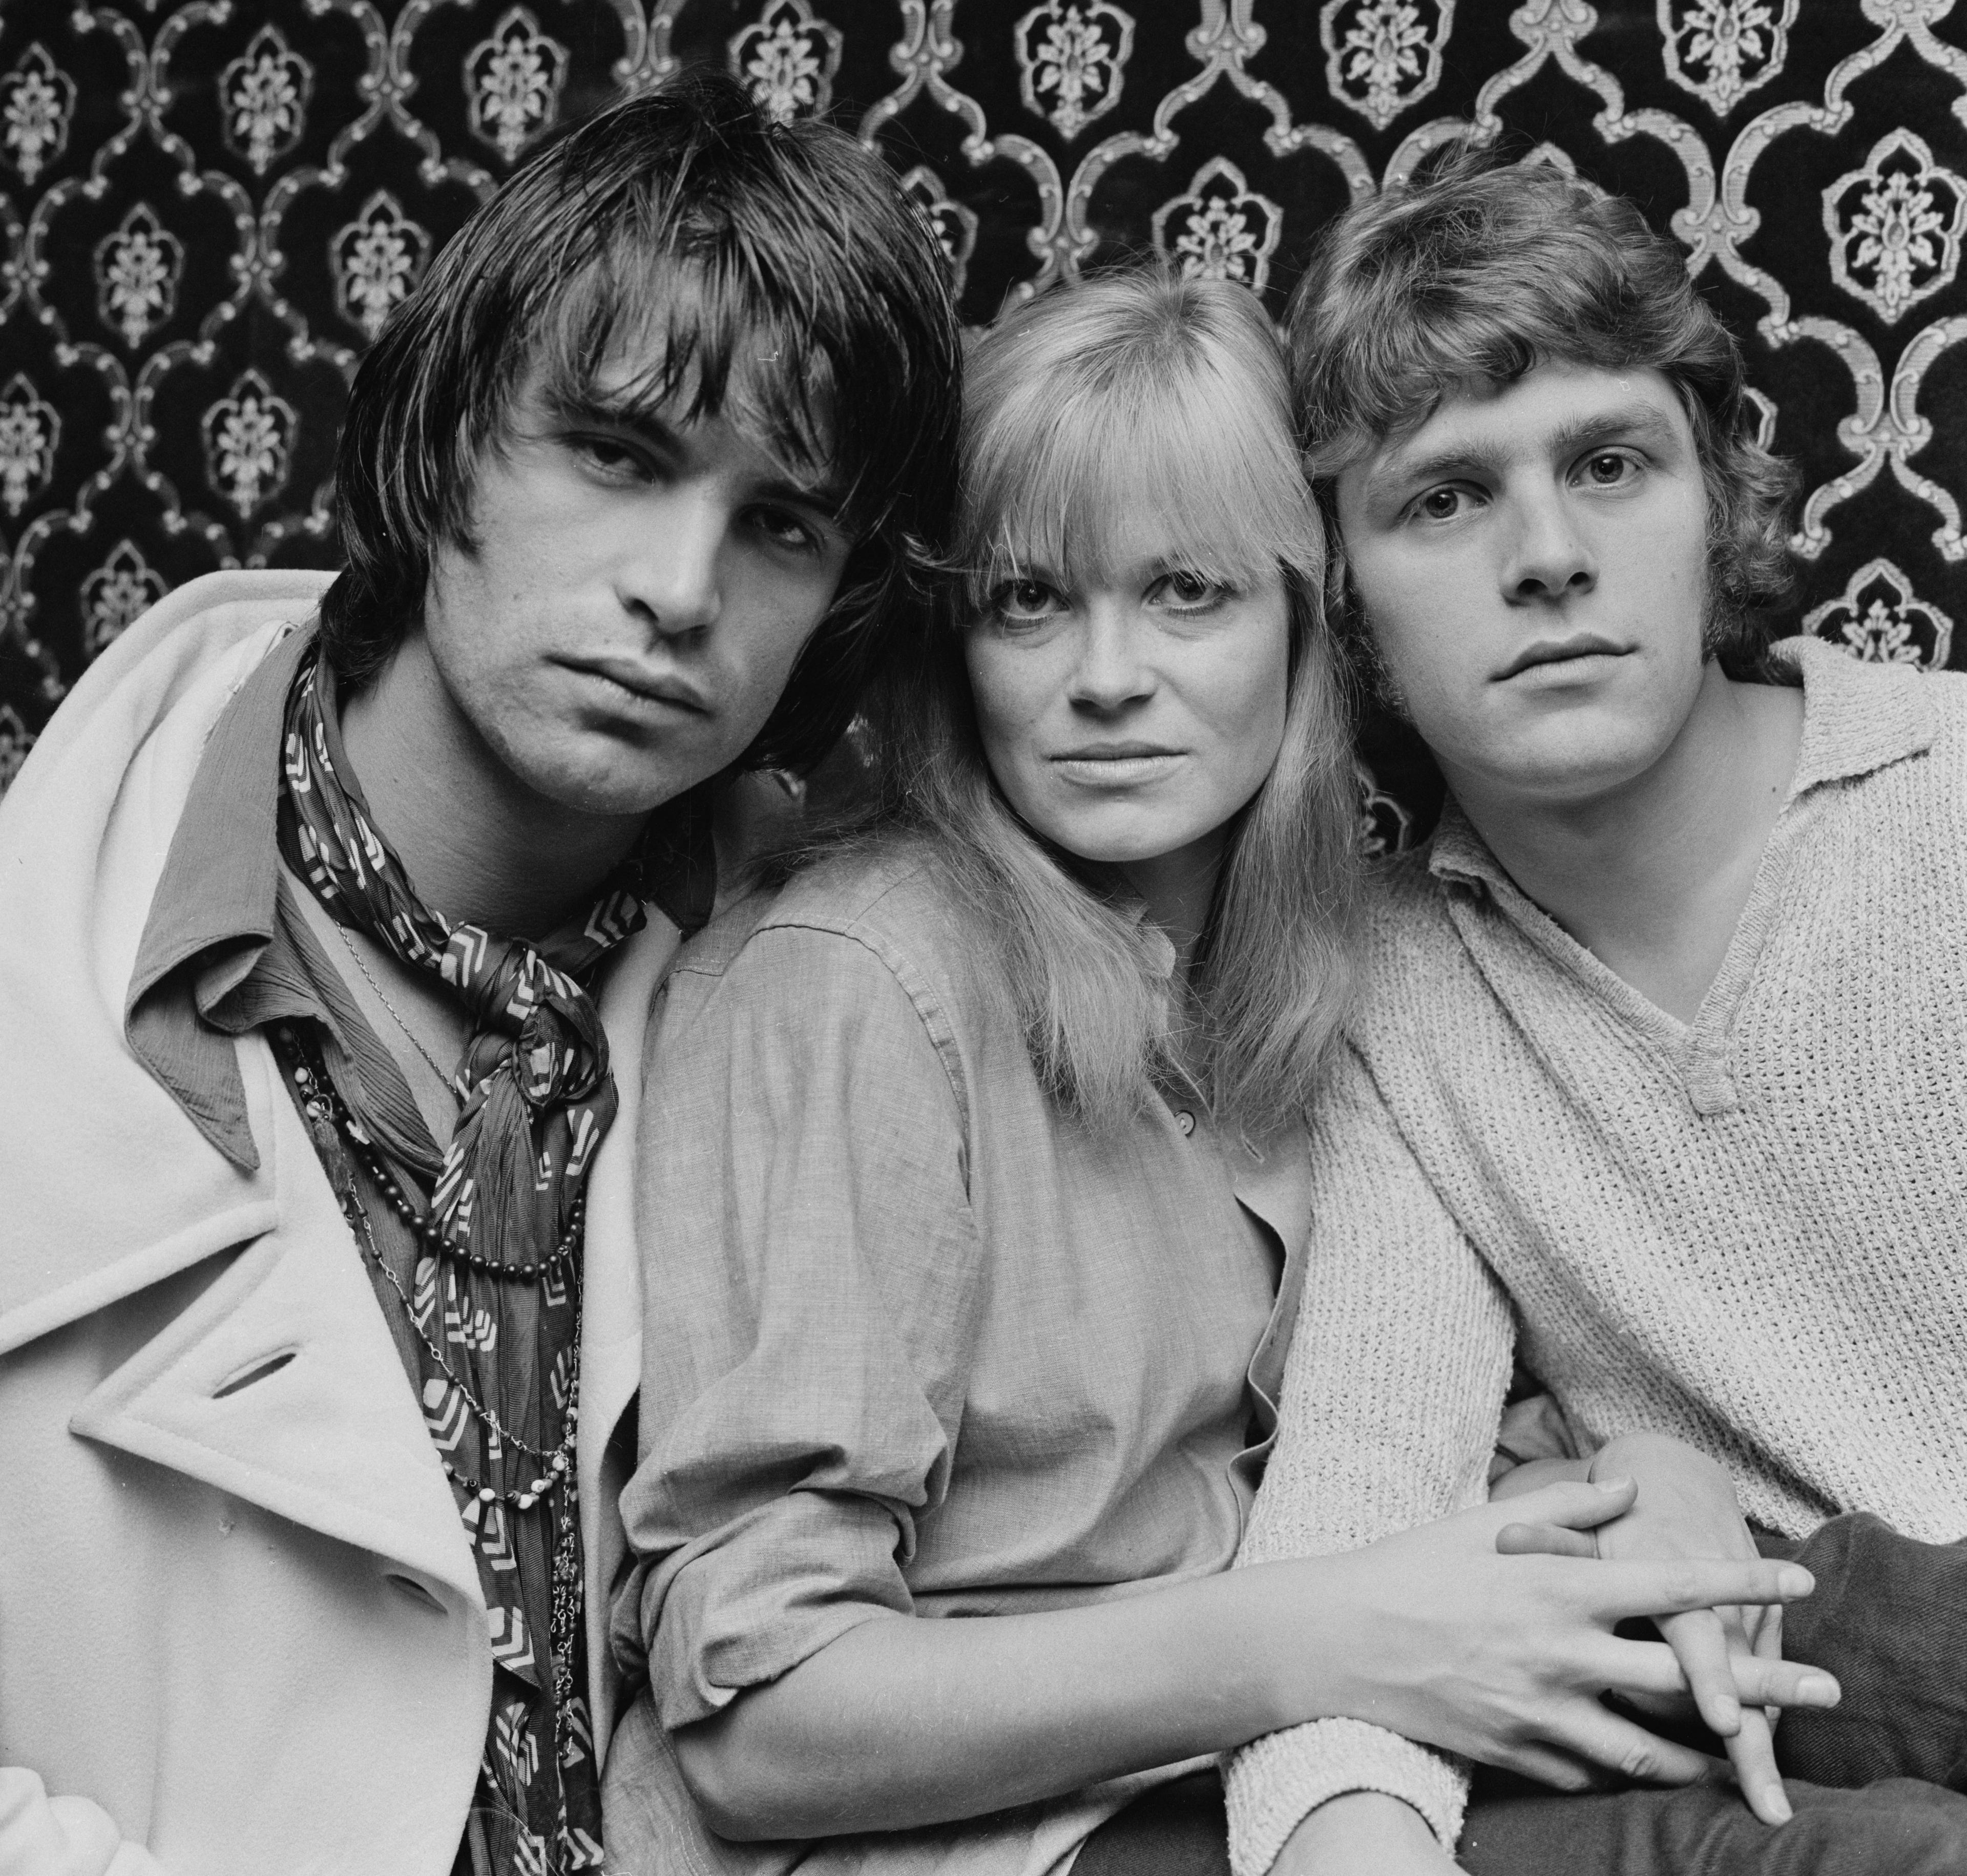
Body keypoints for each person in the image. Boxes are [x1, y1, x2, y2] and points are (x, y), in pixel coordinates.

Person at [600, 265, 1833, 1876]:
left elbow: (1390, 1436)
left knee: (1863, 1669)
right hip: (972, 1842)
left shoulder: (1308, 981)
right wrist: (1314, 1641)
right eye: (1028, 600)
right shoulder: (861, 976)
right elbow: (758, 1730)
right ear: (953, 643)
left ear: (1308, 629)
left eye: (1186, 591)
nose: (1105, 677)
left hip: (1267, 1754)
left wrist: (1639, 1466)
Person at [0, 68, 960, 1876]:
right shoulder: (64, 976)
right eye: (617, 454)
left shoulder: (825, 997)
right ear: (448, 444)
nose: (683, 590)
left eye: (783, 525)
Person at [1222, 156, 1967, 1876]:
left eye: (1610, 466)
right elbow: (1356, 1546)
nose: (1548, 558)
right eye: (1443, 501)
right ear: (1341, 596)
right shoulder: (1392, 1001)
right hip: (1828, 1759)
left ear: (1719, 501)